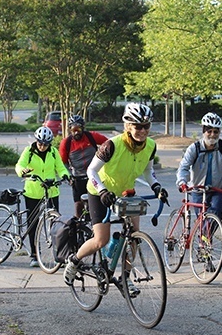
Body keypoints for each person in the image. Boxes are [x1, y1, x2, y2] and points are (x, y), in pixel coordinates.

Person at [63, 103, 168, 290]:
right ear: (128, 126)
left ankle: (125, 277)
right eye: (138, 126)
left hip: (126, 193)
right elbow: (91, 171)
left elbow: (148, 171)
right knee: (100, 240)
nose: (142, 131)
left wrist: (157, 187)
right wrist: (102, 191)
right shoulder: (112, 145)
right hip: (99, 192)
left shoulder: (150, 146)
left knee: (134, 235)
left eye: (146, 126)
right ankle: (74, 260)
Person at [15, 126, 70, 267]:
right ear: (36, 141)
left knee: (56, 225)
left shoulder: (53, 152)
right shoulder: (29, 151)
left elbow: (61, 167)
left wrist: (65, 175)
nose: (42, 146)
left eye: (45, 144)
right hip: (33, 192)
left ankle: (58, 256)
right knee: (33, 224)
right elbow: (19, 165)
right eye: (40, 143)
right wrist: (23, 171)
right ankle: (34, 255)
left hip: (51, 191)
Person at [176, 112, 222, 219]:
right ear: (203, 132)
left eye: (216, 132)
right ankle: (204, 235)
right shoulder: (194, 148)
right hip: (198, 189)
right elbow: (184, 167)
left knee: (215, 214)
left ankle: (205, 236)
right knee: (201, 220)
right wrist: (182, 182)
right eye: (209, 131)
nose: (212, 135)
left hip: (218, 189)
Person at [59, 115, 108, 218]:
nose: (76, 132)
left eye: (79, 129)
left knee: (97, 203)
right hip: (78, 177)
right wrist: (69, 176)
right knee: (78, 204)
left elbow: (109, 144)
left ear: (83, 128)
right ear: (70, 130)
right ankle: (78, 228)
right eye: (73, 129)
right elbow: (63, 163)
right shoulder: (66, 143)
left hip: (94, 175)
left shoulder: (91, 137)